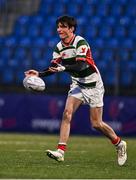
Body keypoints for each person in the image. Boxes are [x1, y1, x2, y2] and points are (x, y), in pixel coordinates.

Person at [25, 15, 127, 166]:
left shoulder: (80, 42)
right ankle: (60, 152)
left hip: (93, 85)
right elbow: (54, 67)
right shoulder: (59, 47)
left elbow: (81, 66)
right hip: (78, 84)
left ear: (71, 29)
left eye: (63, 26)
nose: (59, 29)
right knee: (67, 113)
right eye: (58, 26)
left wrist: (64, 68)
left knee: (96, 124)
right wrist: (39, 74)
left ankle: (119, 144)